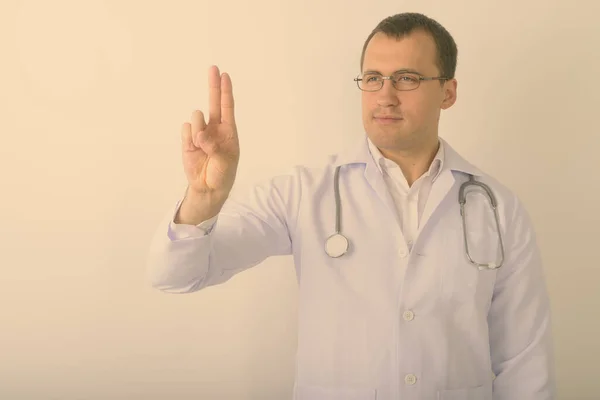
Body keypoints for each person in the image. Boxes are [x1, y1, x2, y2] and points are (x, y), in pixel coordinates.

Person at [146, 12, 556, 400]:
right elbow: (176, 276)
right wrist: (203, 200)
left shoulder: (499, 208)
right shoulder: (304, 192)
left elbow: (524, 363)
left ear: (448, 92)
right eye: (373, 78)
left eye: (407, 78)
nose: (385, 96)